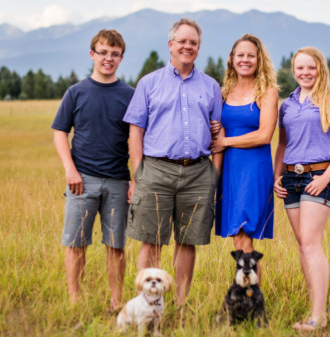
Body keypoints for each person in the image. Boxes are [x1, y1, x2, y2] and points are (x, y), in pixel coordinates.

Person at [122, 18, 222, 306]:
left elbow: (219, 132)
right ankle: (147, 304)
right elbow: (136, 130)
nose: (187, 46)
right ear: (171, 45)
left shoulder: (211, 86)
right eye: (182, 41)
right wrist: (138, 173)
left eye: (193, 42)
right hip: (155, 170)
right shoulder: (149, 83)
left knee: (187, 241)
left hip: (198, 172)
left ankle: (179, 304)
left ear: (198, 47)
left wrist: (214, 174)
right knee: (150, 239)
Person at [51, 29, 135, 311]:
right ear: (92, 54)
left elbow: (137, 140)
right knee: (76, 242)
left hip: (118, 182)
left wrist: (136, 178)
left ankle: (116, 301)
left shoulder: (130, 95)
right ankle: (75, 300)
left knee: (116, 245)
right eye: (103, 52)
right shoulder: (76, 92)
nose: (108, 58)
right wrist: (69, 170)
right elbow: (60, 133)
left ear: (121, 58)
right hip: (81, 180)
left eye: (114, 54)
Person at [273, 46, 330, 331]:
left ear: (320, 69)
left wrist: (326, 178)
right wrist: (276, 177)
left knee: (310, 242)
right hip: (291, 180)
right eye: (300, 68)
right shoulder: (288, 104)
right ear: (293, 70)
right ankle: (313, 311)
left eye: (311, 67)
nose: (305, 73)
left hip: (319, 177)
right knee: (302, 245)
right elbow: (282, 144)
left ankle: (319, 318)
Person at [210, 34, 279, 279]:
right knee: (238, 239)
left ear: (259, 60)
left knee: (243, 233)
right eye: (240, 55)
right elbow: (216, 127)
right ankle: (247, 293)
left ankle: (250, 296)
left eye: (251, 55)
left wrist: (225, 141)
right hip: (229, 171)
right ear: (232, 59)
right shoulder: (223, 92)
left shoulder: (267, 93)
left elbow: (264, 135)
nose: (245, 60)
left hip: (253, 170)